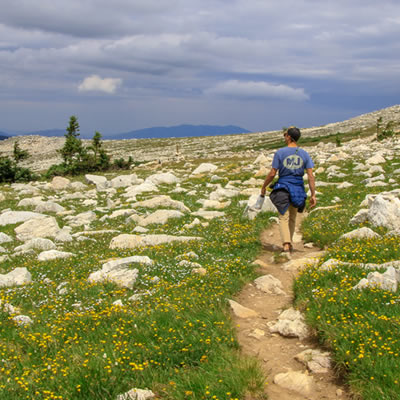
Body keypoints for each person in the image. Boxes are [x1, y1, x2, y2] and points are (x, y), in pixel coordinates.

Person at [260, 126, 316, 252]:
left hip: (283, 187)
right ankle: (289, 243)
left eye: (285, 135)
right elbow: (311, 176)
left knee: (283, 216)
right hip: (298, 188)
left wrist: (264, 186)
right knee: (293, 216)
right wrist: (313, 194)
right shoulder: (304, 154)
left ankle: (286, 244)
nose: (284, 137)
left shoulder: (280, 153)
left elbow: (273, 173)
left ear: (289, 137)